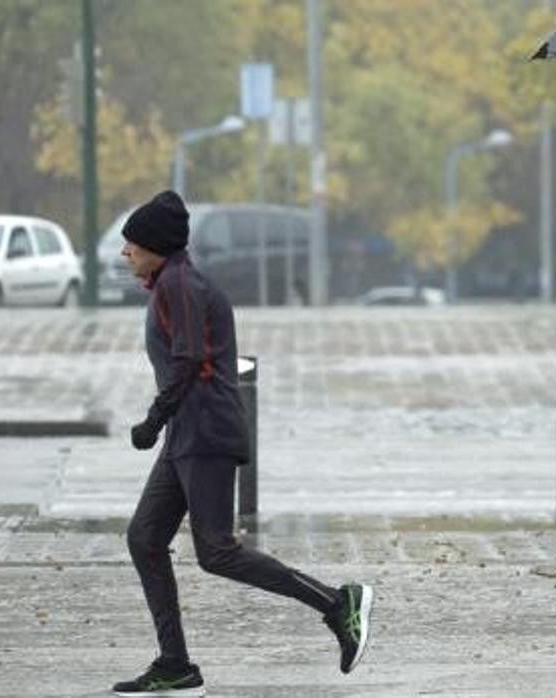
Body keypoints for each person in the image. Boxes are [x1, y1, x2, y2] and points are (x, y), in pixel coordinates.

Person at [111, 191, 373, 697]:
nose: (126, 252)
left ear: (156, 247)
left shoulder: (180, 286)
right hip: (186, 437)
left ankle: (339, 605)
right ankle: (175, 665)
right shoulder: (172, 282)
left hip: (204, 434)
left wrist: (152, 419)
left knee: (216, 552)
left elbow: (188, 361)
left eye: (133, 244)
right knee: (145, 538)